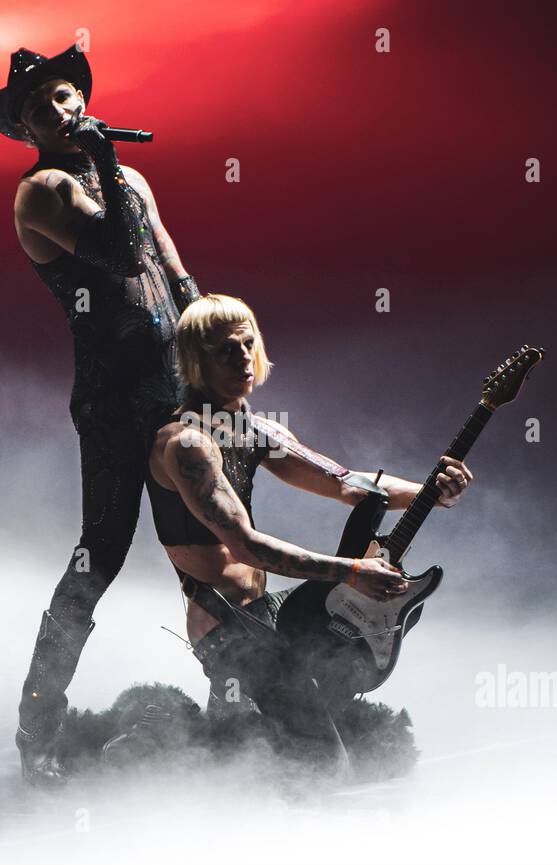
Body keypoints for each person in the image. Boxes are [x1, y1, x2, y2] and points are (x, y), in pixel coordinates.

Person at [0, 44, 201, 786]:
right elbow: (113, 249)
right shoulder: (40, 193)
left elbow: (170, 266)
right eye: (39, 106)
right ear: (25, 127)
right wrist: (104, 162)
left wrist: (209, 346)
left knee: (204, 550)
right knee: (98, 557)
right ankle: (35, 731)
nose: (57, 109)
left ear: (83, 98)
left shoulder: (131, 178)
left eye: (65, 95)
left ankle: (256, 710)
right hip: (112, 398)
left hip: (177, 388)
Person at [144, 294, 474, 768]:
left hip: (270, 610)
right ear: (197, 361)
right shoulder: (186, 444)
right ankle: (178, 749)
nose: (242, 357)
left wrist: (432, 492)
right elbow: (246, 545)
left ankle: (221, 736)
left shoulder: (252, 429)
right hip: (227, 629)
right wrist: (352, 571)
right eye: (225, 350)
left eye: (247, 343)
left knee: (328, 692)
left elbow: (350, 484)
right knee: (323, 760)